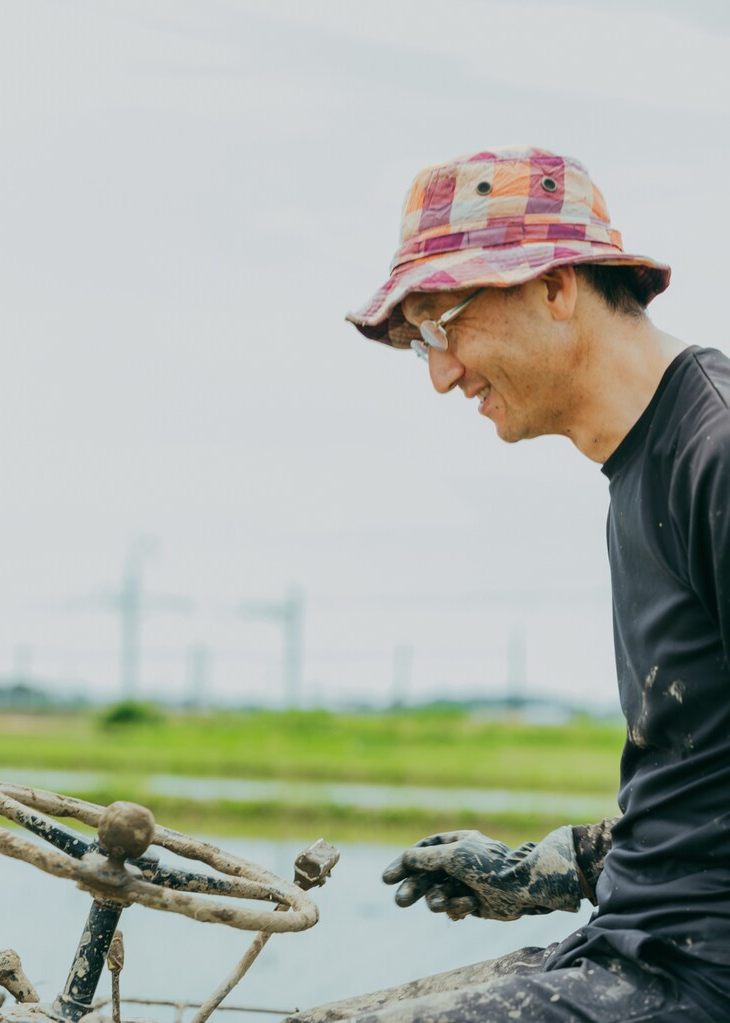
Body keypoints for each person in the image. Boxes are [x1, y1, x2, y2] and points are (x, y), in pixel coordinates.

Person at [289, 147, 730, 1021]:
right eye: (417, 341)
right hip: (634, 948)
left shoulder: (711, 455)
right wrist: (552, 867)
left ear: (556, 287)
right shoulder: (641, 467)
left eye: (443, 324)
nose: (439, 373)